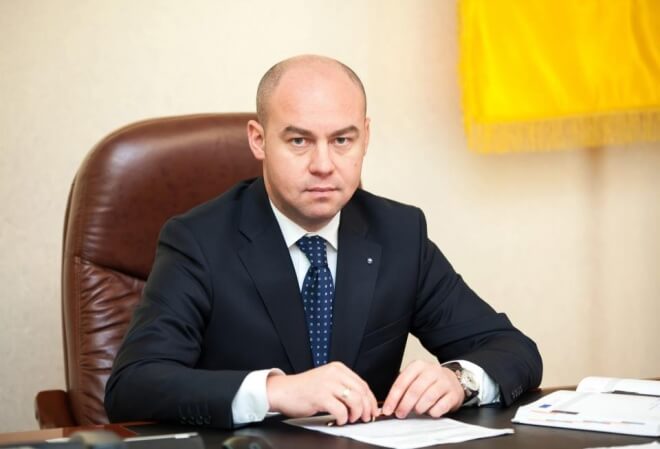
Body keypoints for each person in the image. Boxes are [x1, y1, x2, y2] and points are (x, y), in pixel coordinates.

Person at [105, 55, 542, 429]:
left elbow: (514, 350)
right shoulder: (197, 240)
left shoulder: (398, 233)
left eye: (342, 140)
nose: (323, 164)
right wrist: (276, 391)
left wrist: (459, 380)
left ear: (365, 137)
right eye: (299, 141)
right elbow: (133, 385)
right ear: (258, 140)